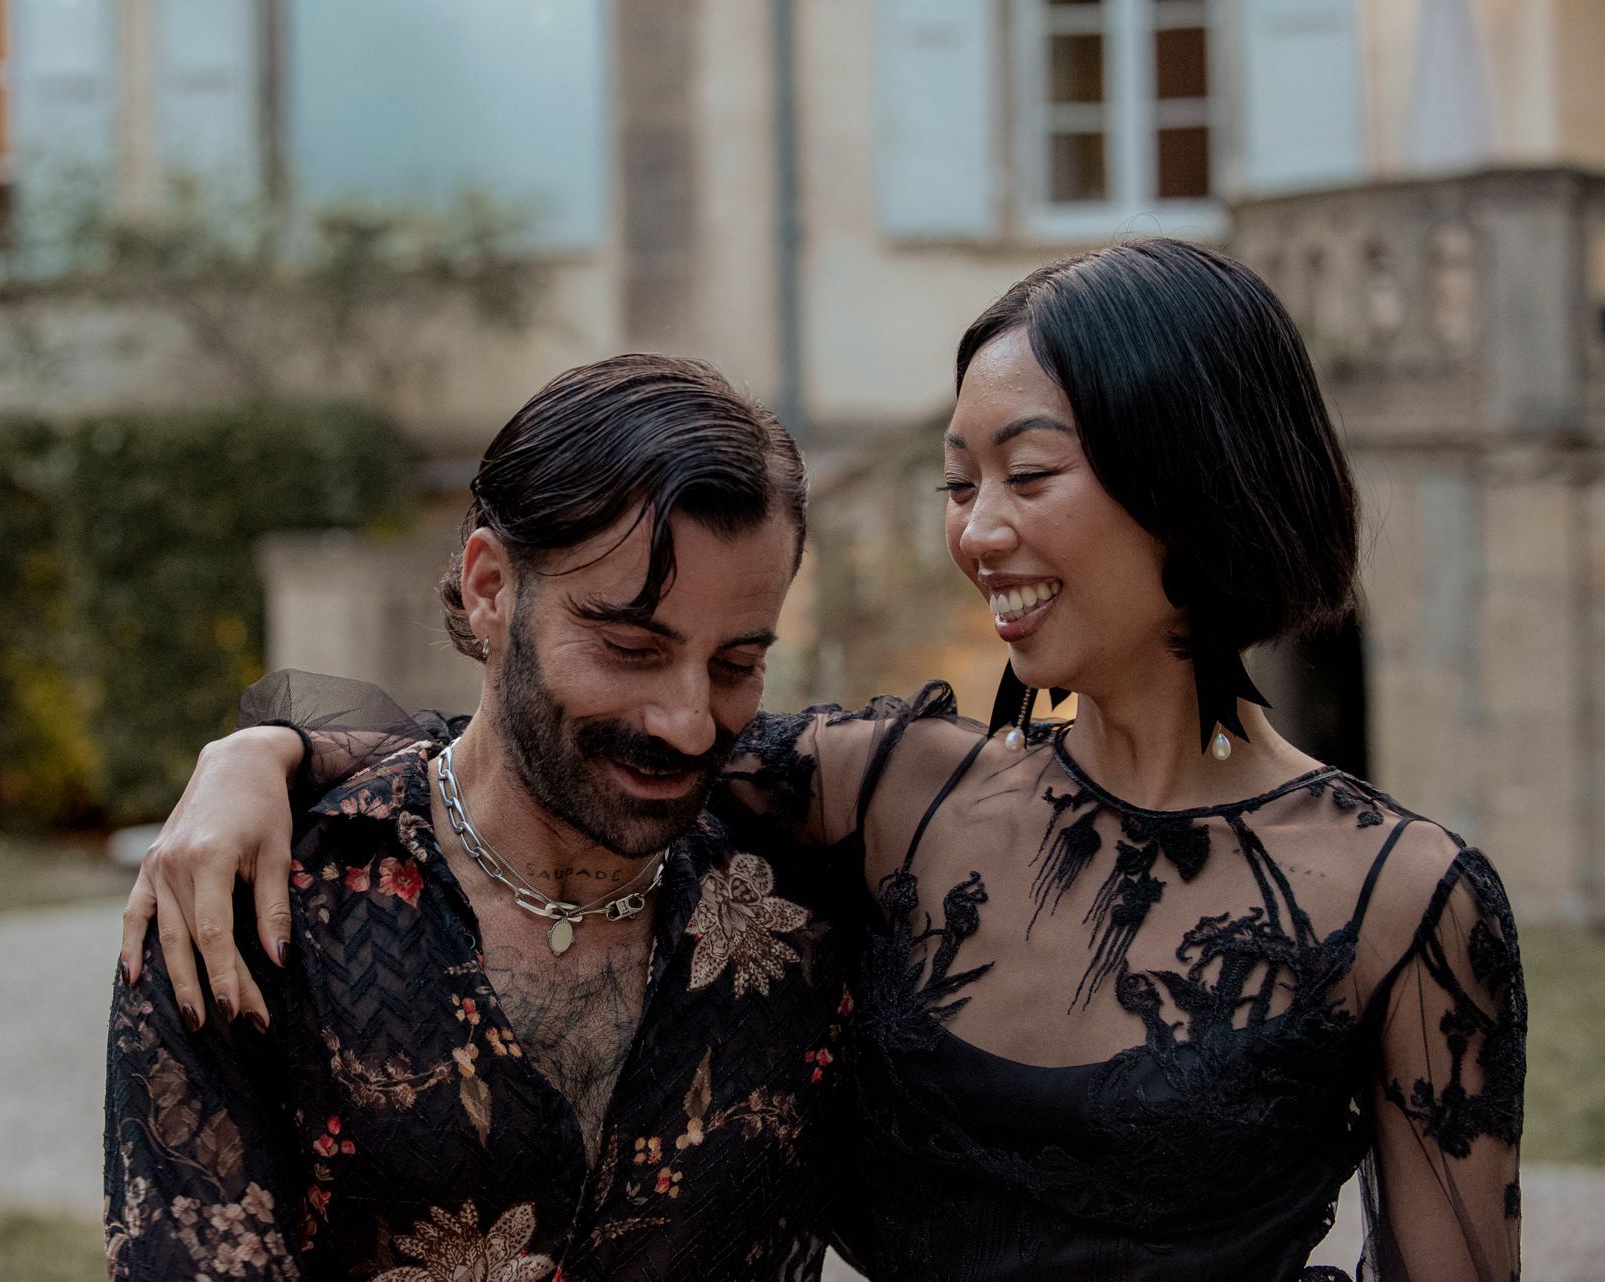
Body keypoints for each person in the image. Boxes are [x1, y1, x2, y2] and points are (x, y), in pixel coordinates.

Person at [127, 240, 1525, 1281]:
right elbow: (554, 751)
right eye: (957, 479)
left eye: (1026, 475)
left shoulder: (1406, 903)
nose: (976, 531)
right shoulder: (900, 796)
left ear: (1197, 478)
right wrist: (265, 750)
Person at [104, 354, 866, 1280]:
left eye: (738, 663)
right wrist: (260, 750)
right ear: (490, 588)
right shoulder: (256, 908)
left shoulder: (811, 879)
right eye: (629, 646)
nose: (689, 720)